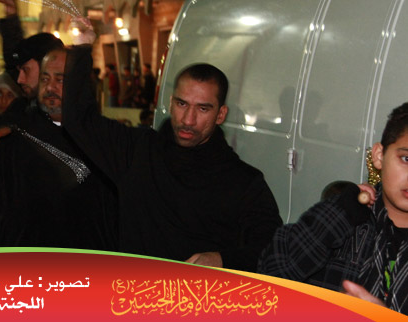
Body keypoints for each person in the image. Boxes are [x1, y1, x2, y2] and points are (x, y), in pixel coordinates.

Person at [62, 34, 281, 271]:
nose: (188, 120)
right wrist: (81, 48)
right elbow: (79, 120)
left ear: (221, 114)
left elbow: (274, 250)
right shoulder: (137, 151)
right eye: (182, 104)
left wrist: (223, 259)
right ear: (170, 102)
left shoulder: (243, 183)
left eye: (203, 109)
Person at [0, 48, 117, 249]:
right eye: (45, 79)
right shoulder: (12, 131)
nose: (50, 87)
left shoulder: (105, 139)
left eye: (60, 79)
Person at [258, 102, 408, 314]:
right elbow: (269, 277)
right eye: (406, 159)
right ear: (378, 156)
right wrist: (339, 213)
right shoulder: (346, 219)